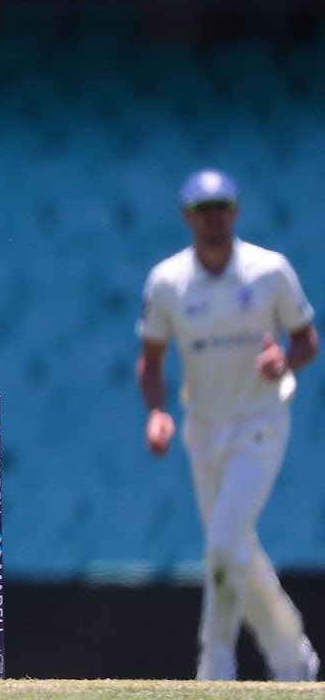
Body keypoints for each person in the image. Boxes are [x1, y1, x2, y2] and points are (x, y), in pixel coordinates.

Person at [136, 168, 320, 681]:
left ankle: (214, 665)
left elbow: (307, 339)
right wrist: (157, 412)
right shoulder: (168, 281)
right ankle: (294, 660)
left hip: (260, 423)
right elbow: (150, 359)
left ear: (236, 212)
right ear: (187, 217)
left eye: (222, 207)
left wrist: (284, 359)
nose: (213, 218)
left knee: (221, 544)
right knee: (237, 547)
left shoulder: (270, 270)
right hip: (204, 427)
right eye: (202, 210)